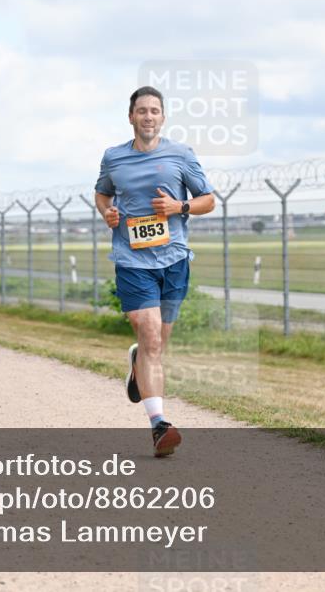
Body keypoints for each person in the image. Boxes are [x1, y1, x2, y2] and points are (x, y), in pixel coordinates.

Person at [95, 86, 216, 457]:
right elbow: (102, 194)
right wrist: (107, 213)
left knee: (157, 345)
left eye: (154, 111)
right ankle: (159, 425)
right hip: (132, 261)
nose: (148, 116)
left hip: (174, 259)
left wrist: (178, 206)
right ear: (130, 116)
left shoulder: (180, 154)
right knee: (150, 338)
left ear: (162, 117)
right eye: (142, 111)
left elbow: (208, 200)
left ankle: (137, 365)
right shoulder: (114, 158)